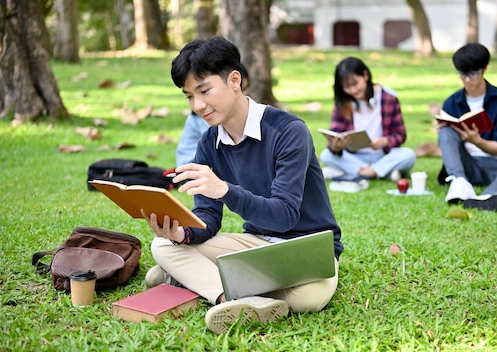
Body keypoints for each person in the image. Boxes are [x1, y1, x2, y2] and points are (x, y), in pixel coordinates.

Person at [141, 36, 343, 335]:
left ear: (234, 80)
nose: (198, 105)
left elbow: (285, 215)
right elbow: (208, 217)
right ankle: (228, 298)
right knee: (163, 246)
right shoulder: (209, 143)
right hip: (257, 245)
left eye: (204, 91)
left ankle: (196, 279)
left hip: (306, 247)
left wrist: (224, 189)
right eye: (188, 96)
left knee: (309, 298)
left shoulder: (288, 131)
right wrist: (182, 233)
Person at [436, 43, 497, 212]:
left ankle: (485, 198)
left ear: (484, 69)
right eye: (462, 74)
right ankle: (459, 182)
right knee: (445, 132)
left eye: (473, 74)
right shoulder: (452, 102)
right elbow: (449, 148)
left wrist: (476, 140)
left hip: (494, 163)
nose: (467, 79)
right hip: (464, 163)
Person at [319, 57, 416, 182]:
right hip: (355, 158)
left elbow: (400, 135)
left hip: (383, 155)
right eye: (347, 87)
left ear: (365, 75)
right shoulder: (343, 103)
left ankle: (357, 173)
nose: (353, 90)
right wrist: (336, 146)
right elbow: (334, 136)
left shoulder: (388, 98)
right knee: (326, 155)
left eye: (355, 83)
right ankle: (383, 173)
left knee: (408, 155)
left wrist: (384, 141)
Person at [175, 64, 250, 167]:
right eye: (189, 96)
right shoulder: (208, 124)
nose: (197, 106)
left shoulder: (275, 129)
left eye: (245, 88)